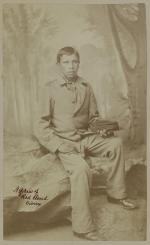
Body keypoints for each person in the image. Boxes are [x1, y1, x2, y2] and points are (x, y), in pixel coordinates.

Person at [34, 46, 137, 241]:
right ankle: (82, 227)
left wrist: (101, 129)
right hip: (63, 140)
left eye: (74, 62)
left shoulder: (86, 86)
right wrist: (58, 146)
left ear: (79, 63)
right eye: (66, 62)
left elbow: (93, 118)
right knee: (81, 169)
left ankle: (116, 193)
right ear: (59, 65)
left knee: (115, 144)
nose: (71, 66)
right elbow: (40, 126)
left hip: (85, 137)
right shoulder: (49, 88)